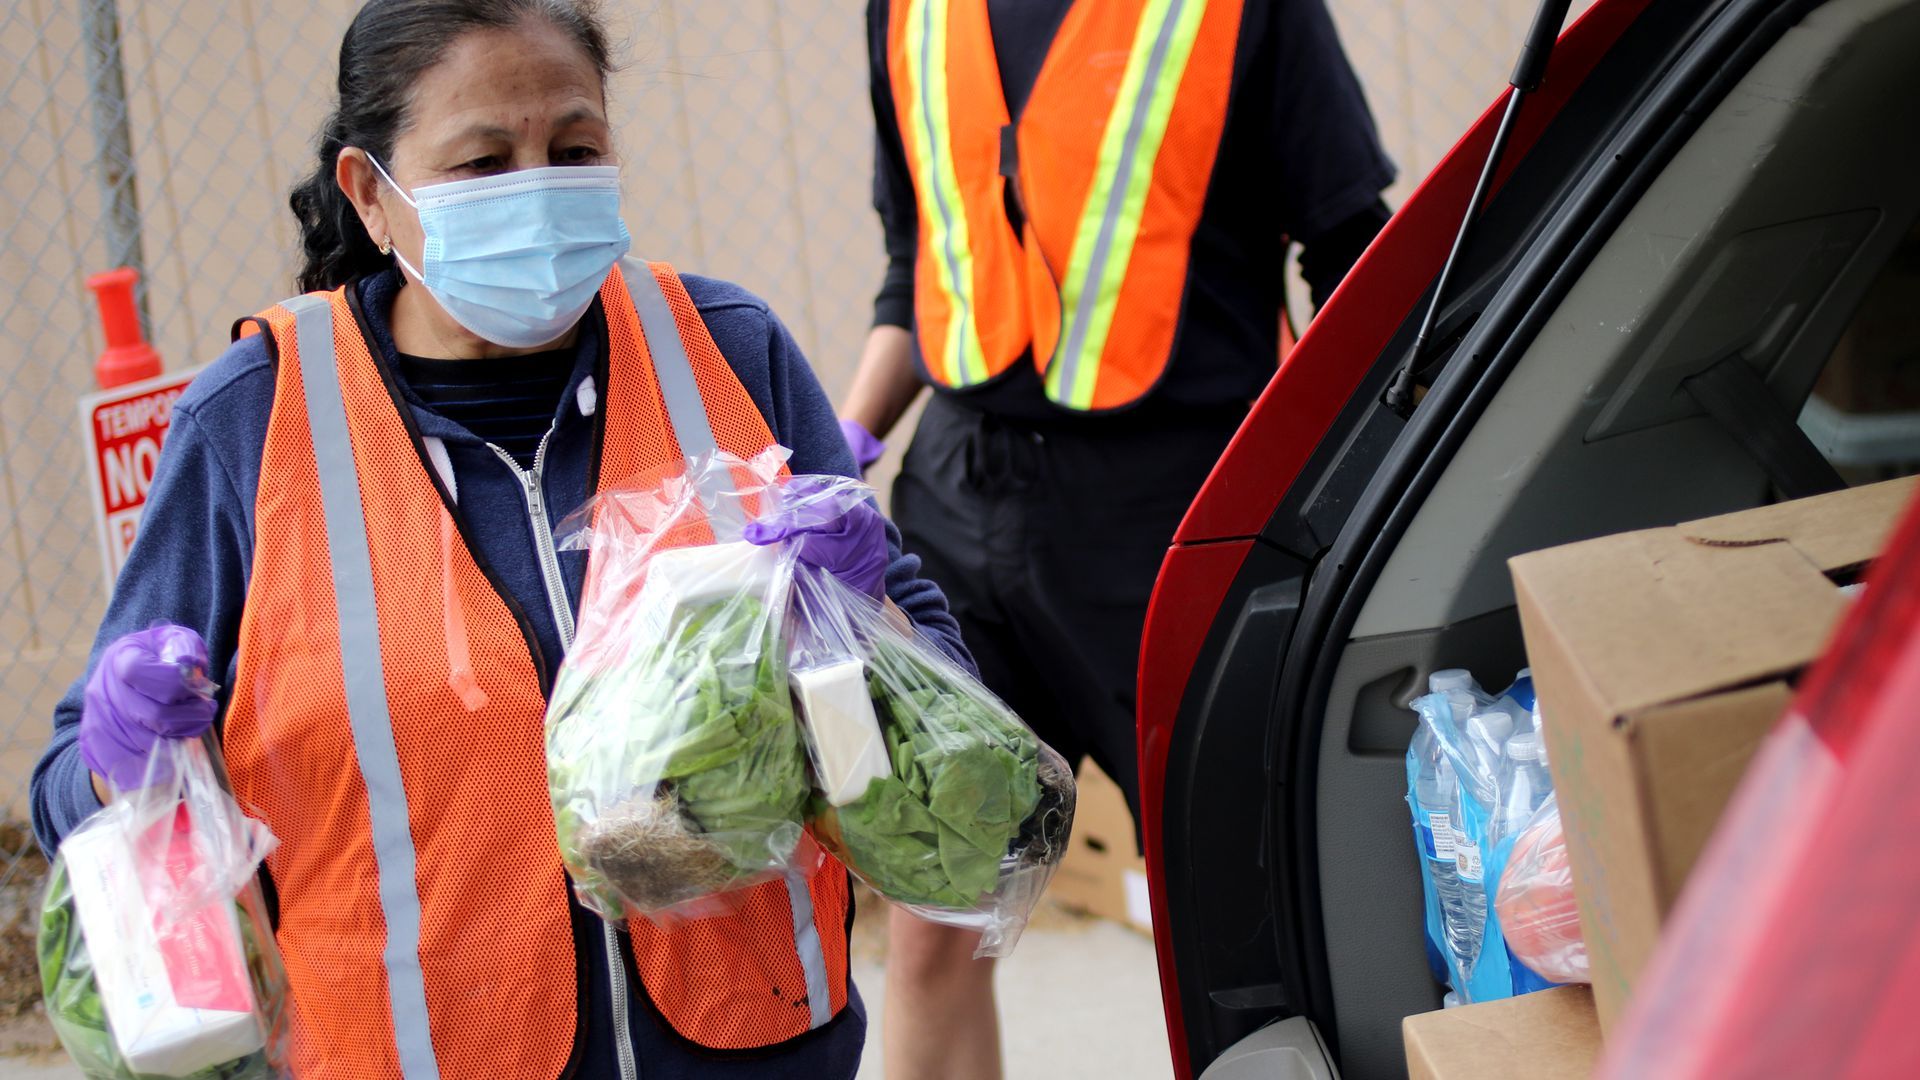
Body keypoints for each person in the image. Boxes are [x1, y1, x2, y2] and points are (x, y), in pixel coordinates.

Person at [29, 2, 972, 1077]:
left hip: (748, 1041)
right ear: (371, 196)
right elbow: (70, 790)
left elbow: (936, 694)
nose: (537, 188)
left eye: (574, 150)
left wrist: (864, 614)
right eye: (482, 164)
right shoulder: (255, 422)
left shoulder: (726, 352)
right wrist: (117, 754)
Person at [842, 1, 1397, 1076]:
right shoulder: (905, 11)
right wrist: (843, 443)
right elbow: (919, 263)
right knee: (932, 922)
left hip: (1176, 513)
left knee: (1232, 939)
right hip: (954, 507)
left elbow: (1351, 250)